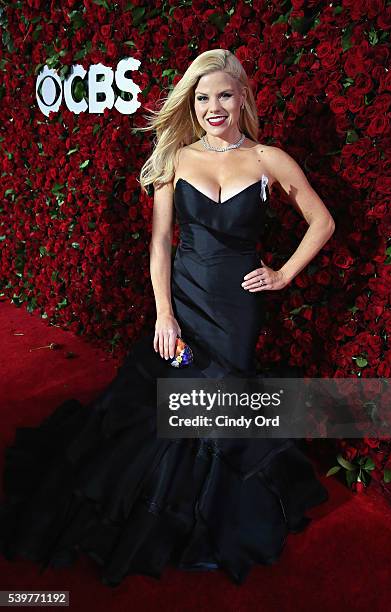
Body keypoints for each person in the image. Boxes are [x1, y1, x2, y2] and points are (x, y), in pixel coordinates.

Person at [0, 49, 335, 587]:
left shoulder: (269, 159)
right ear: (192, 104)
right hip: (184, 299)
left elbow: (321, 221)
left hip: (237, 307)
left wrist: (283, 274)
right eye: (203, 98)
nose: (213, 107)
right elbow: (159, 243)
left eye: (224, 95)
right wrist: (164, 313)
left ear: (243, 97)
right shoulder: (175, 160)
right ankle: (155, 509)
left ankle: (207, 511)